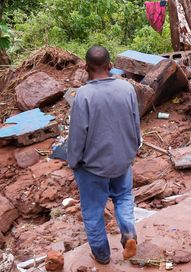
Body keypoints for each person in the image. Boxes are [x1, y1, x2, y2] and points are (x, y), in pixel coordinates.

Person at [67, 46, 141, 264]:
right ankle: (129, 234)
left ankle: (102, 255)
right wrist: (131, 149)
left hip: (93, 167)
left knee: (93, 211)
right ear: (110, 65)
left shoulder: (83, 96)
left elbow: (78, 135)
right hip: (122, 159)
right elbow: (136, 123)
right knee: (124, 197)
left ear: (86, 68)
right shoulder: (127, 89)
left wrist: (74, 162)